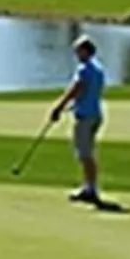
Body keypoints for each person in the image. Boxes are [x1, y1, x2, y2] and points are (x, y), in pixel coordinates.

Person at [50, 35, 106, 205]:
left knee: (85, 153)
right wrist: (74, 104)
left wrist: (58, 107)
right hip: (95, 114)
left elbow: (75, 89)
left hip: (85, 117)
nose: (76, 54)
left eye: (78, 50)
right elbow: (87, 92)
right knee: (87, 153)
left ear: (85, 50)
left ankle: (91, 189)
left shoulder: (84, 69)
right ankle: (88, 187)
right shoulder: (98, 68)